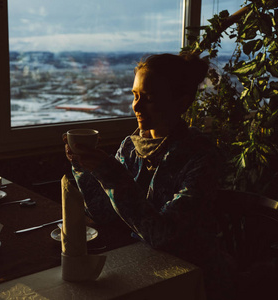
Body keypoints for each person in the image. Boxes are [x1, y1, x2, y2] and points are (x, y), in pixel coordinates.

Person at [64, 53, 234, 299]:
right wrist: (84, 166)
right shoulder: (131, 147)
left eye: (149, 98)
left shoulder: (201, 157)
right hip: (138, 259)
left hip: (189, 275)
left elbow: (163, 236)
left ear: (181, 103)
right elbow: (104, 213)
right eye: (135, 95)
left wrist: (110, 174)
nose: (136, 106)